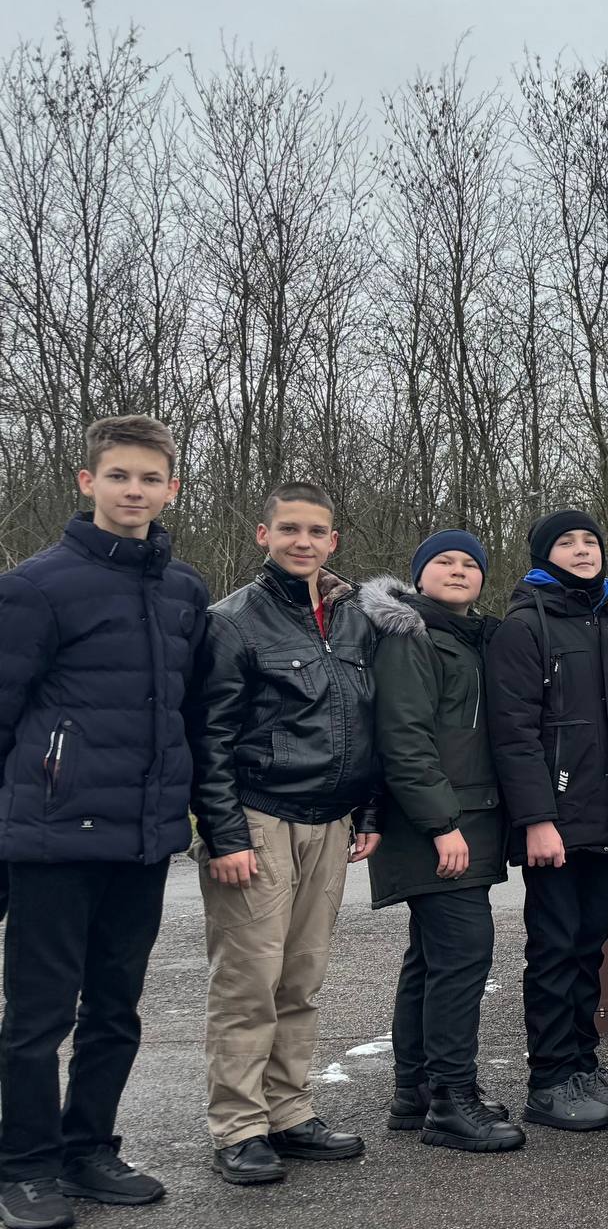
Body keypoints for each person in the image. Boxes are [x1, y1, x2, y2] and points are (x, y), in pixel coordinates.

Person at [0, 417, 209, 1229]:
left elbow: (190, 713)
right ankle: (24, 1165)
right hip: (52, 838)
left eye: (149, 479)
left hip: (145, 836)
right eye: (118, 476)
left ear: (171, 489)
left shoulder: (184, 591)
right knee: (38, 1015)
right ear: (86, 482)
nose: (134, 491)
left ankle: (88, 1149)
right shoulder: (34, 587)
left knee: (117, 1006)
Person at [191, 481, 383, 1184]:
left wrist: (368, 812)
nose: (303, 541)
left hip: (330, 822)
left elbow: (368, 726)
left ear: (334, 541)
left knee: (301, 979)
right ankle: (238, 1126)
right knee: (249, 982)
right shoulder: (232, 622)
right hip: (260, 817)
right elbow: (208, 738)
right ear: (263, 535)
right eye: (290, 528)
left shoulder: (357, 621)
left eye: (317, 531)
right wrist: (225, 833)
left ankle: (289, 1111)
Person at [486, 509, 608, 1133]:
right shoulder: (526, 626)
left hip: (606, 817)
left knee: (589, 945)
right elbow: (514, 734)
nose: (582, 550)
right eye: (567, 541)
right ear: (542, 554)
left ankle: (584, 1065)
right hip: (553, 820)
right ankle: (550, 1078)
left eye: (591, 540)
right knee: (554, 948)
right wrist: (536, 818)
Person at [360, 534, 524, 1154]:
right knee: (462, 956)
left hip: (466, 816)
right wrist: (439, 823)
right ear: (418, 576)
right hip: (440, 823)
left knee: (430, 958)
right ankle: (453, 1101)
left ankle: (417, 1091)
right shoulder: (410, 637)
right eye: (443, 562)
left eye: (469, 564)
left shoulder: (465, 635)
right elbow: (403, 738)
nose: (458, 571)